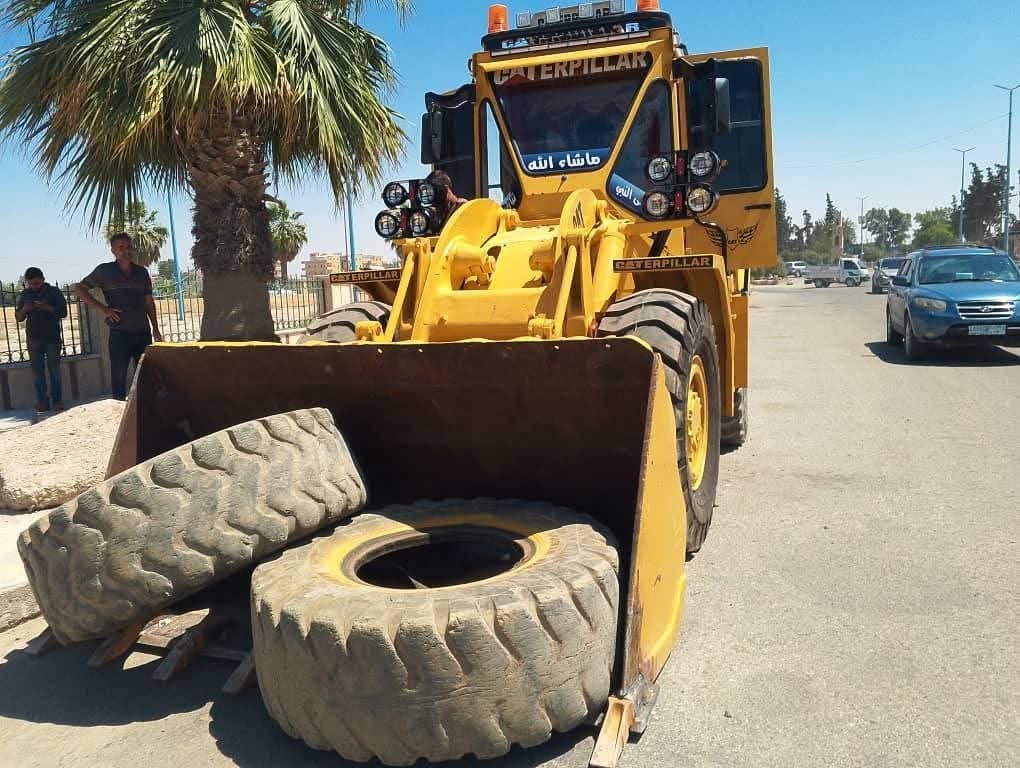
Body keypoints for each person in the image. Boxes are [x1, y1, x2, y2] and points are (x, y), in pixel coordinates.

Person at [75, 233, 163, 401]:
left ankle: (144, 412)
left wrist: (156, 328)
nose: (125, 251)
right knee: (119, 377)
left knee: (145, 375)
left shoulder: (141, 273)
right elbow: (79, 288)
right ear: (113, 251)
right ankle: (119, 412)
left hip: (143, 331)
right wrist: (104, 309)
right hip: (119, 333)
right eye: (120, 248)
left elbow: (149, 302)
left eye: (128, 247)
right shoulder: (104, 271)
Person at [15, 267, 68, 416]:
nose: (34, 286)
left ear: (43, 279)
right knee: (37, 372)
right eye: (31, 284)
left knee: (54, 371)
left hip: (52, 337)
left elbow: (63, 312)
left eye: (37, 283)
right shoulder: (25, 294)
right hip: (33, 338)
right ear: (27, 283)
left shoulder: (54, 292)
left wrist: (46, 307)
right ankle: (42, 402)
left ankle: (57, 401)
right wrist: (25, 308)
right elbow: (19, 317)